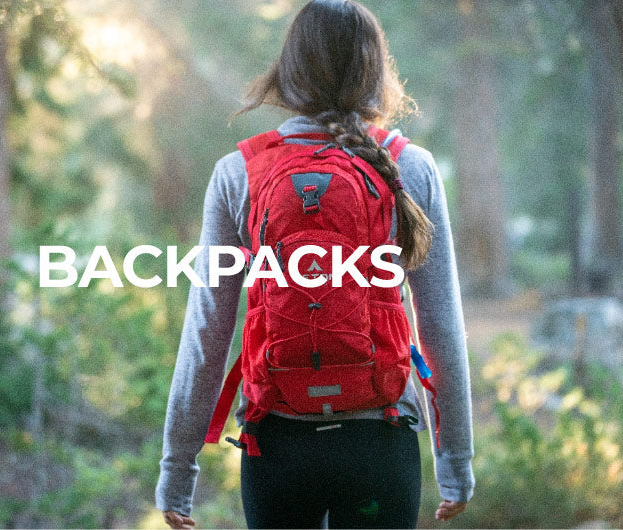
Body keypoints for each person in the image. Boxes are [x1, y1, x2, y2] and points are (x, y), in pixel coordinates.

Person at [156, 1, 474, 528]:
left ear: (290, 69)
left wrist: (177, 471)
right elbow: (441, 325)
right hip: (381, 444)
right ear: (376, 70)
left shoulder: (240, 172)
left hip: (277, 447)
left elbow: (207, 331)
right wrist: (455, 463)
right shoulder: (409, 165)